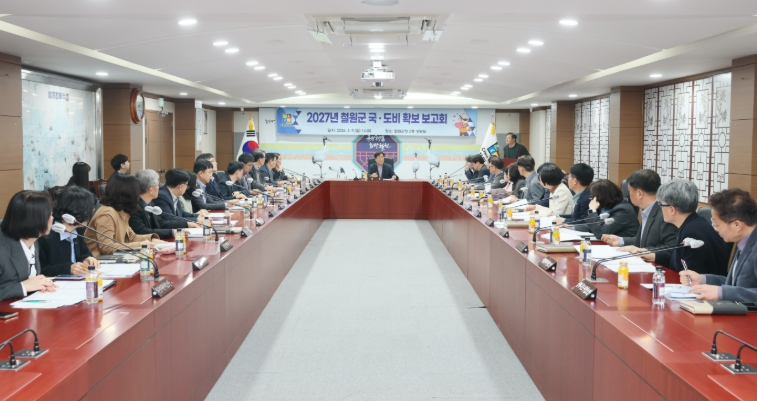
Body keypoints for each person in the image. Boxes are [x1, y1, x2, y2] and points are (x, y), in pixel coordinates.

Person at [627, 180, 726, 276]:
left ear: (671, 209)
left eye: (661, 205)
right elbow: (678, 259)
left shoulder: (691, 232)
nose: (660, 209)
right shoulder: (693, 224)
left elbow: (690, 274)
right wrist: (654, 255)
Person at [681, 189, 757, 302]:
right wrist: (702, 279)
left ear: (737, 225)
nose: (715, 229)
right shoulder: (744, 240)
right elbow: (735, 284)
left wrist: (721, 293)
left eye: (716, 224)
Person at [84, 174, 164, 258]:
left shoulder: (121, 212)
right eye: (137, 192)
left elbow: (132, 237)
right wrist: (141, 245)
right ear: (129, 194)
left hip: (115, 259)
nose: (138, 195)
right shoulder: (107, 214)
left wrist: (152, 239)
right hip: (100, 262)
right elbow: (107, 247)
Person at [0, 191, 58, 300]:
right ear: (34, 220)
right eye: (49, 215)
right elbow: (24, 284)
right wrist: (23, 287)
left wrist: (40, 283)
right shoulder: (2, 247)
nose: (52, 218)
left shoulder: (33, 239)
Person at [601, 169, 677, 250]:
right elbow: (644, 241)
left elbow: (671, 248)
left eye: (630, 191)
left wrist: (643, 251)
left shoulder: (664, 213)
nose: (629, 195)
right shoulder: (647, 210)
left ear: (639, 194)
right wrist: (620, 240)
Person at [38, 186, 100, 277]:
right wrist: (68, 269)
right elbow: (40, 270)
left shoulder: (78, 229)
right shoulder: (46, 234)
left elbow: (83, 253)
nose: (91, 213)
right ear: (77, 210)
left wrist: (87, 259)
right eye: (89, 209)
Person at [130, 169, 198, 239]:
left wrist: (185, 225)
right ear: (151, 190)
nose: (159, 188)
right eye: (158, 185)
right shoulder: (135, 207)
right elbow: (142, 231)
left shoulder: (150, 203)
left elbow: (160, 223)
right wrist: (172, 232)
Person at [571, 179, 639, 238]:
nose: (592, 200)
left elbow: (600, 232)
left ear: (602, 197)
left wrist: (592, 210)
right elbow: (594, 226)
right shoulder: (607, 207)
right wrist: (571, 227)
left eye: (593, 197)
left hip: (626, 246)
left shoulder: (622, 210)